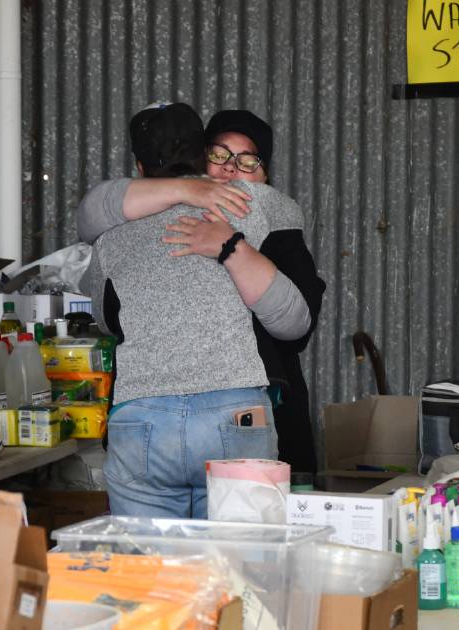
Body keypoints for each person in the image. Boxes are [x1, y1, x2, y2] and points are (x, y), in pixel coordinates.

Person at [79, 102, 312, 518]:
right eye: (221, 157)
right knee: (242, 572)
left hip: (142, 416)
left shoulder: (111, 230)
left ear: (138, 164)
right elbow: (294, 320)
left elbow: (107, 318)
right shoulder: (260, 204)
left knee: (150, 578)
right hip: (233, 410)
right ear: (202, 158)